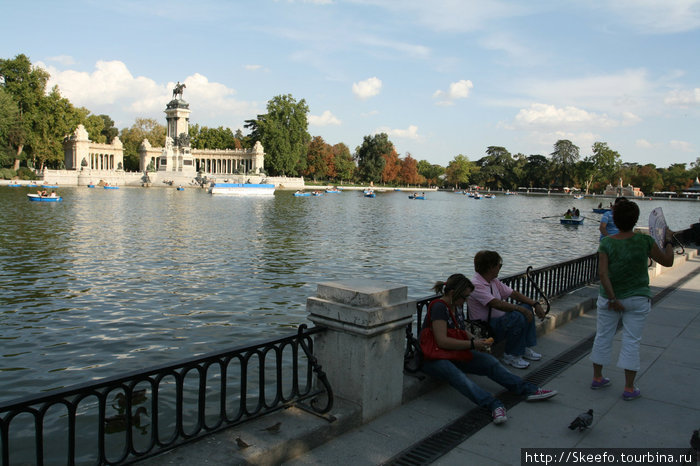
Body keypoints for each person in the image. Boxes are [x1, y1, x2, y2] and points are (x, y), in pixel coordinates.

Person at [421, 273, 557, 424]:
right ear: (452, 293)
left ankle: (527, 389)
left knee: (490, 362)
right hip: (434, 357)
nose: (466, 301)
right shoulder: (440, 307)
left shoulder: (456, 305)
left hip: (452, 352)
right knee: (458, 376)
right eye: (465, 297)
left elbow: (459, 329)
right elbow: (442, 341)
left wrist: (476, 340)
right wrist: (473, 345)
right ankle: (493, 404)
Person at [590, 199, 674, 400]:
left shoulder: (607, 243)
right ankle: (629, 388)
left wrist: (612, 298)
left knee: (603, 336)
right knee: (631, 341)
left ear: (615, 220)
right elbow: (668, 261)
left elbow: (602, 274)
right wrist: (668, 240)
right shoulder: (644, 241)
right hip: (637, 298)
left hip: (609, 299)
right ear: (635, 219)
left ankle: (597, 377)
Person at [468, 251, 546, 369]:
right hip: (486, 326)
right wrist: (520, 309)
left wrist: (534, 304)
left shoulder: (493, 281)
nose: (500, 268)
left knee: (527, 308)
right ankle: (510, 355)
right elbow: (495, 303)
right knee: (518, 315)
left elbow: (513, 293)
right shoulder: (476, 284)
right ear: (490, 267)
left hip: (500, 321)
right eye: (499, 265)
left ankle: (523, 347)